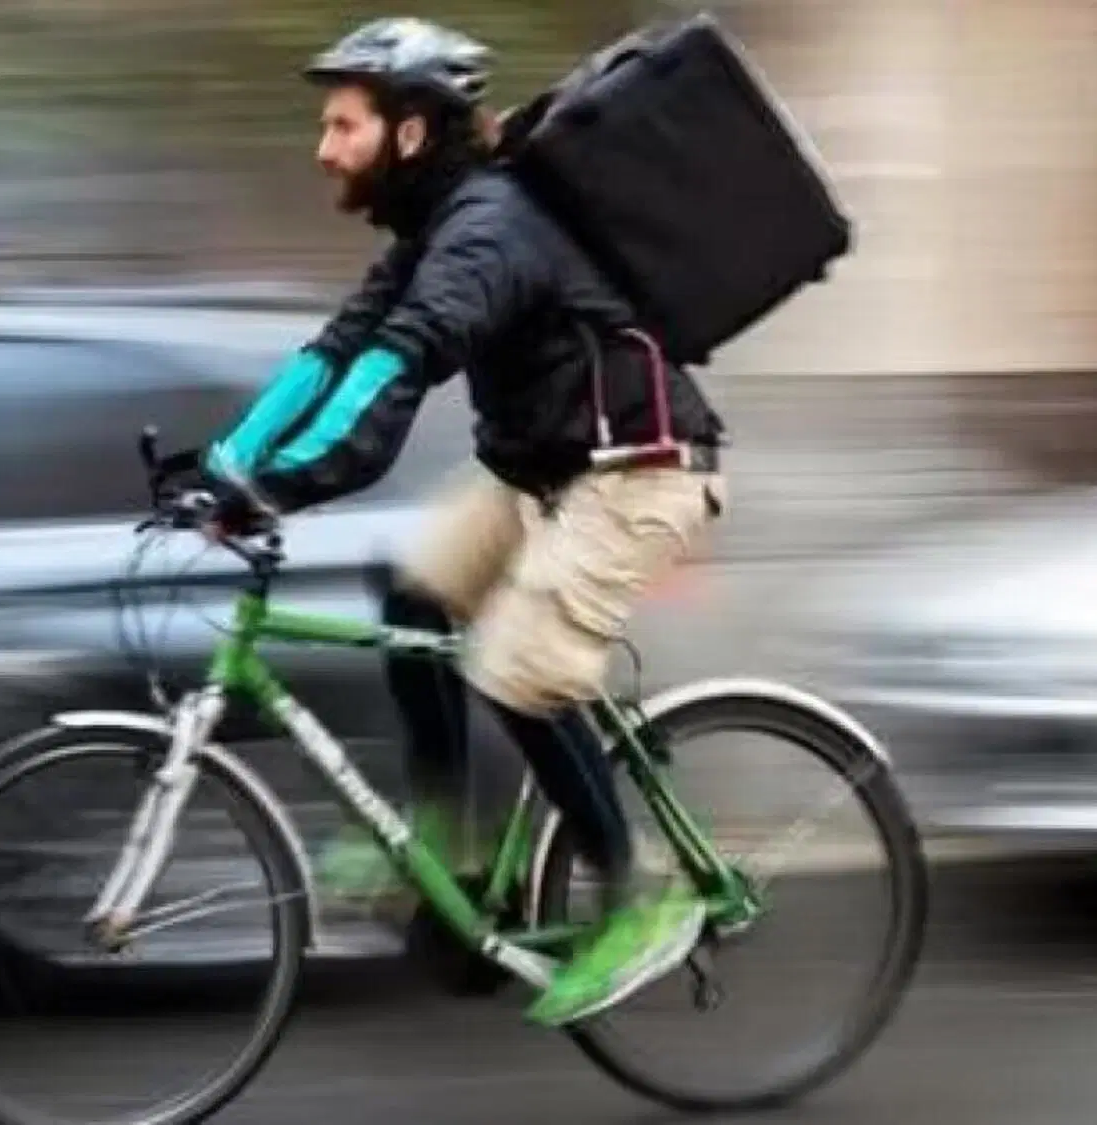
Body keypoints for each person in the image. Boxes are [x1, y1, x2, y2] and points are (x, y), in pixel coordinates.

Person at [197, 16, 729, 1028]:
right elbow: (339, 349)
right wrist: (227, 463)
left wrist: (287, 487)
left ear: (406, 133)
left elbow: (399, 370)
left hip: (637, 474)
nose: (322, 149)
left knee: (519, 671)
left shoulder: (487, 230)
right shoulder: (432, 227)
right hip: (544, 474)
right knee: (413, 593)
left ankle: (637, 892)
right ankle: (451, 844)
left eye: (340, 126)